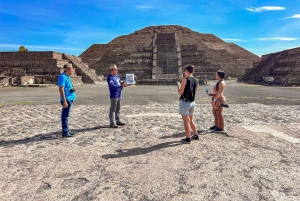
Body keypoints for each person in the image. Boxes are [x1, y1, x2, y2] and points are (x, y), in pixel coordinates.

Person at [177, 65, 199, 143]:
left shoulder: (185, 80)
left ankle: (188, 137)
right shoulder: (196, 80)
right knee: (191, 120)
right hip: (192, 102)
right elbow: (195, 92)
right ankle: (196, 134)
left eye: (185, 72)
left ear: (187, 71)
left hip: (185, 102)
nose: (184, 73)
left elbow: (180, 92)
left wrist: (178, 87)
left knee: (186, 121)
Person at [58, 63, 77, 137]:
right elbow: (61, 89)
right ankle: (65, 132)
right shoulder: (62, 77)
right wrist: (64, 100)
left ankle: (67, 130)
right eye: (72, 69)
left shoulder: (67, 77)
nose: (72, 70)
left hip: (70, 98)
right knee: (65, 116)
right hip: (66, 99)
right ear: (68, 69)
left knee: (67, 115)